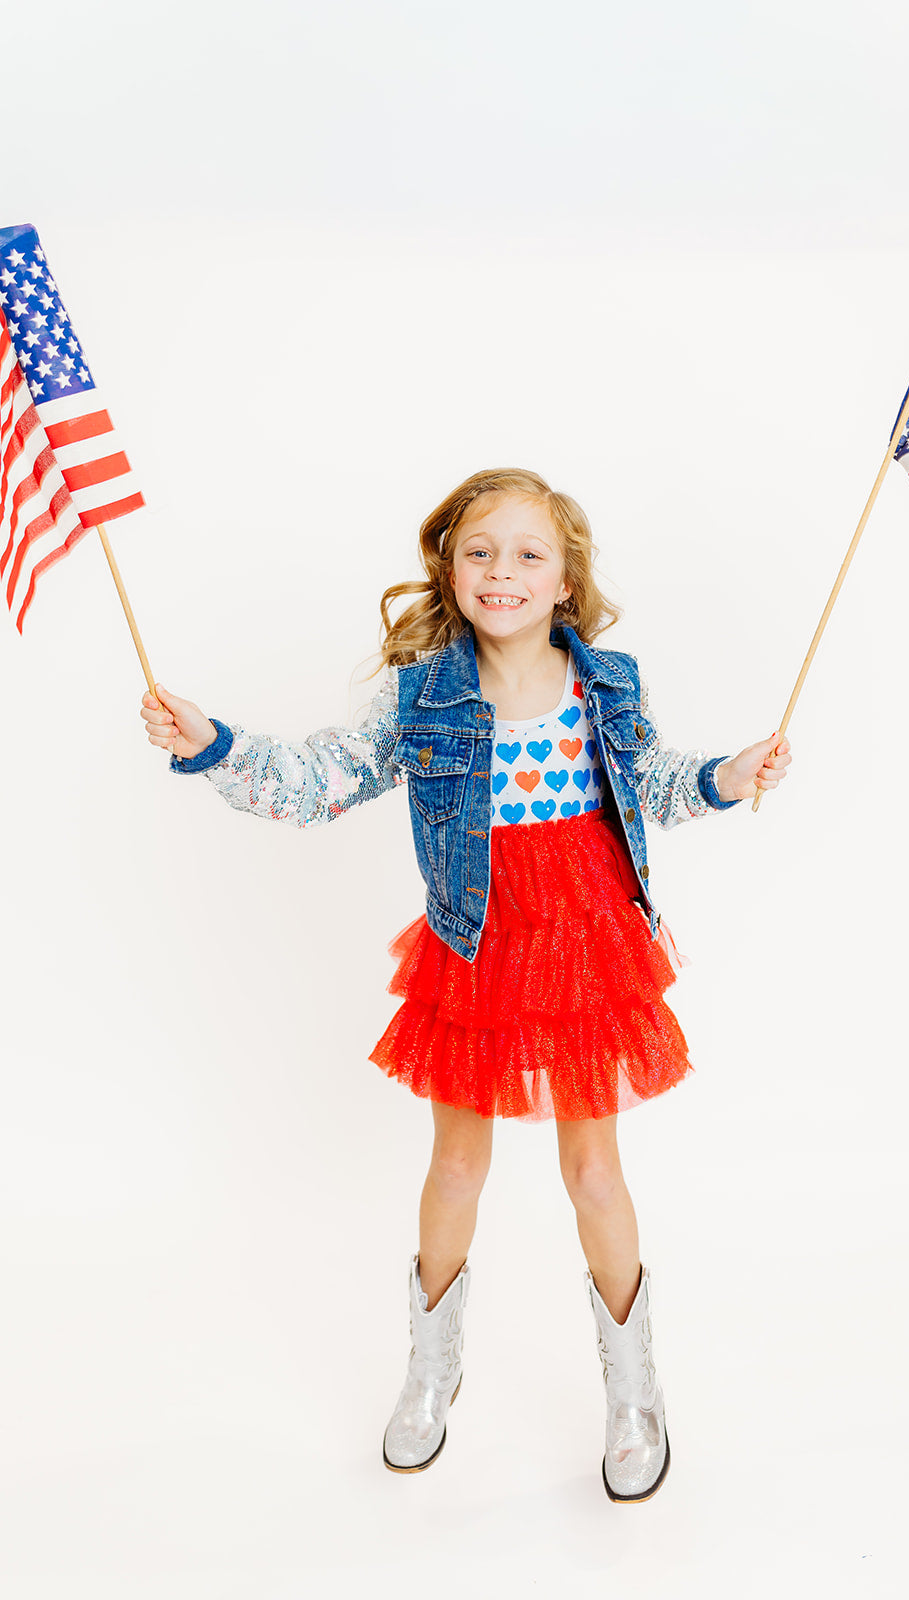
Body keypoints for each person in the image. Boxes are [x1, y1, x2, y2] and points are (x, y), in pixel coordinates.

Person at [140, 466, 790, 1503]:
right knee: (454, 1166)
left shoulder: (606, 681)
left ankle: (633, 1392)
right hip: (479, 941)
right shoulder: (423, 695)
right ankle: (430, 1368)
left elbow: (654, 782)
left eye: (529, 553)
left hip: (586, 944)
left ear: (566, 580)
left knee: (592, 1171)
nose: (503, 571)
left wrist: (726, 773)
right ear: (448, 566)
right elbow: (319, 778)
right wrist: (212, 743)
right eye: (479, 550)